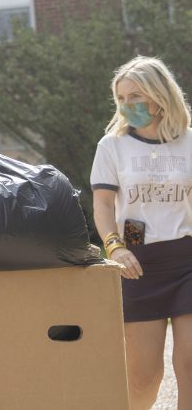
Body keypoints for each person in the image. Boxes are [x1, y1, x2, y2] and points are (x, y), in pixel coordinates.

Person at [90, 56, 192, 410]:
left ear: (159, 95)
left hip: (187, 260)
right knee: (143, 376)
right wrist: (114, 248)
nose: (127, 105)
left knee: (190, 365)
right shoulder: (112, 146)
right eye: (121, 99)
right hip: (137, 263)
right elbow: (103, 204)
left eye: (135, 96)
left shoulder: (189, 142)